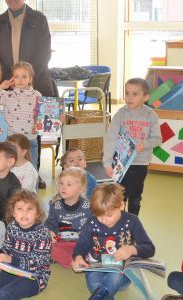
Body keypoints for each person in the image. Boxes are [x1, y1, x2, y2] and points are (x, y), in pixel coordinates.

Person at [72, 182, 155, 300]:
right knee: (94, 286)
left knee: (112, 279)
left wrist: (132, 249)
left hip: (121, 268)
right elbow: (81, 245)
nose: (104, 220)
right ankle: (103, 294)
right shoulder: (91, 222)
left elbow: (149, 248)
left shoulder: (132, 221)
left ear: (121, 205)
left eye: (109, 215)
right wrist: (78, 257)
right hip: (97, 265)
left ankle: (101, 294)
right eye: (99, 216)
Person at [103, 77, 161, 216]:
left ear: (145, 96)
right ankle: (119, 223)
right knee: (120, 196)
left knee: (135, 198)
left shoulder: (151, 115)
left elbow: (157, 139)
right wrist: (107, 163)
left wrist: (145, 144)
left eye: (135, 94)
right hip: (121, 164)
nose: (129, 97)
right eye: (127, 93)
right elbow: (110, 138)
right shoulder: (120, 114)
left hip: (140, 163)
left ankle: (133, 223)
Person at [0, 62, 41, 170]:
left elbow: (43, 116)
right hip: (11, 140)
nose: (20, 80)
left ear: (30, 79)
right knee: (10, 170)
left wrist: (42, 123)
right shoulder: (7, 95)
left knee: (32, 170)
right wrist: (1, 87)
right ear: (13, 79)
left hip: (30, 139)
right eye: (16, 77)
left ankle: (31, 187)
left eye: (24, 76)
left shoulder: (37, 95)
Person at [0, 0, 54, 97]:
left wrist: (27, 77)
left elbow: (44, 52)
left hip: (38, 82)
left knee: (44, 112)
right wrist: (13, 78)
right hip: (7, 85)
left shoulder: (39, 19)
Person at [45, 167, 92, 269]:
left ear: (81, 188)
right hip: (62, 243)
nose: (63, 188)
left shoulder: (88, 207)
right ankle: (73, 260)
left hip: (81, 244)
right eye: (61, 184)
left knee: (92, 247)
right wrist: (49, 231)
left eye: (69, 185)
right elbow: (50, 223)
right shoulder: (55, 206)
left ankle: (76, 258)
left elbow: (94, 228)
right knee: (47, 246)